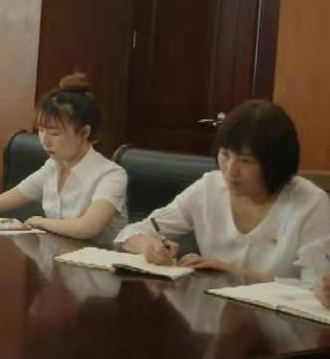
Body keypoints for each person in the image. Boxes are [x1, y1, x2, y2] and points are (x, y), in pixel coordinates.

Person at [118, 100, 330, 280]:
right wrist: (150, 247)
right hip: (213, 312)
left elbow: (315, 290)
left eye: (245, 161)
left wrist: (232, 272)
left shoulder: (311, 204)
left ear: (275, 164)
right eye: (225, 155)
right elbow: (130, 233)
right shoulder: (209, 188)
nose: (230, 170)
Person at [0, 74, 127, 242]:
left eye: (54, 133)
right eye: (41, 131)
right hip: (57, 256)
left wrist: (40, 222)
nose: (44, 141)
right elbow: (0, 203)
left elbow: (88, 227)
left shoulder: (111, 175)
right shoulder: (52, 167)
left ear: (85, 132)